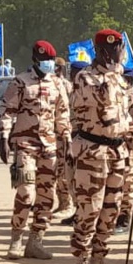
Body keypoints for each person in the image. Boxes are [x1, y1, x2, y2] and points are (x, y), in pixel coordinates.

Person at [69, 29, 133, 264]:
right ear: (101, 51)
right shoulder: (85, 78)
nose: (119, 54)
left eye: (119, 49)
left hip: (117, 154)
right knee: (88, 212)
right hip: (93, 153)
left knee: (110, 214)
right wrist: (111, 77)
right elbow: (98, 103)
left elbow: (126, 118)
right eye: (114, 50)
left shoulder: (119, 80)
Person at [0, 40, 70, 261]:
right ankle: (16, 238)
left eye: (50, 59)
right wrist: (4, 138)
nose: (48, 63)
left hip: (49, 147)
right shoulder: (21, 82)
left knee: (46, 195)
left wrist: (66, 139)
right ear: (35, 60)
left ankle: (36, 240)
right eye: (44, 59)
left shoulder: (57, 84)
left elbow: (63, 114)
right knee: (26, 192)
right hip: (25, 146)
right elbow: (7, 111)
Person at [59, 60, 91, 227]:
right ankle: (77, 211)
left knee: (82, 180)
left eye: (74, 72)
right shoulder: (71, 92)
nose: (71, 75)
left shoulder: (88, 93)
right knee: (70, 178)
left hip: (84, 140)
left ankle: (84, 214)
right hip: (71, 140)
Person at [117, 67, 133, 234]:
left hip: (129, 149)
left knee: (128, 186)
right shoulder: (118, 96)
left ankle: (125, 220)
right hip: (117, 149)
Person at [53, 57, 75, 219]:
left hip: (63, 134)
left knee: (63, 171)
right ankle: (61, 203)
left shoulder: (66, 86)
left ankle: (67, 204)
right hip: (51, 134)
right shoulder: (49, 83)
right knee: (54, 171)